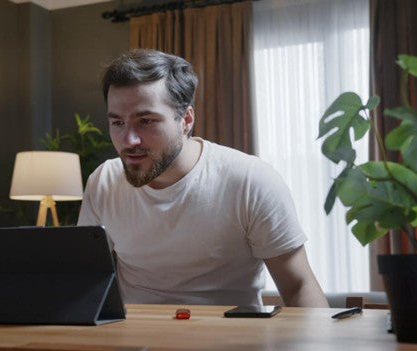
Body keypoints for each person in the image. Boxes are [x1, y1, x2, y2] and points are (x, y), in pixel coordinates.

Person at [78, 49, 328, 307]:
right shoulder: (104, 181)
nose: (129, 140)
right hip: (135, 341)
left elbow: (298, 286)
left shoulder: (250, 181)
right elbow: (82, 280)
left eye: (146, 121)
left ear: (186, 120)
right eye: (117, 123)